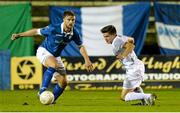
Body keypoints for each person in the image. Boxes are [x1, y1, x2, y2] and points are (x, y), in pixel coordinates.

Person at [11, 10, 94, 104]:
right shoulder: (54, 28)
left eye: (73, 20)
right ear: (64, 20)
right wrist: (19, 35)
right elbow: (36, 31)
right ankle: (42, 92)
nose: (71, 22)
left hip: (56, 56)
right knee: (53, 64)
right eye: (69, 19)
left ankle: (50, 100)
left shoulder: (75, 33)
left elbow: (80, 46)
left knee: (63, 82)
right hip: (44, 51)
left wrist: (87, 60)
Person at [100, 25, 156, 106]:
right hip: (135, 66)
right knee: (135, 88)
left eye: (107, 36)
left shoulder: (117, 41)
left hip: (134, 68)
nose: (105, 38)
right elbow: (131, 40)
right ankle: (144, 102)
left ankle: (149, 96)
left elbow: (131, 46)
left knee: (124, 96)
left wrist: (123, 55)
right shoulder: (120, 37)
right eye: (104, 36)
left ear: (113, 34)